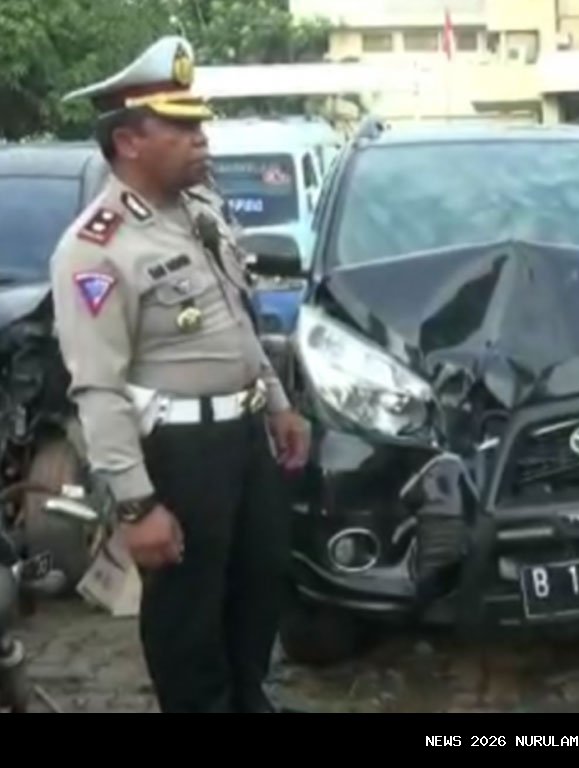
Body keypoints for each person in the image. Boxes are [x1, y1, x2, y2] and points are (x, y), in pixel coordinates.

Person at [50, 36, 310, 713]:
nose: (202, 137)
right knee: (189, 621)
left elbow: (236, 319)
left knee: (258, 588)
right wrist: (137, 506)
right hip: (181, 454)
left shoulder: (200, 211)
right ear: (129, 142)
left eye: (200, 122)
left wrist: (276, 402)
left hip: (245, 437)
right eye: (181, 125)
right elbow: (97, 389)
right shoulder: (97, 248)